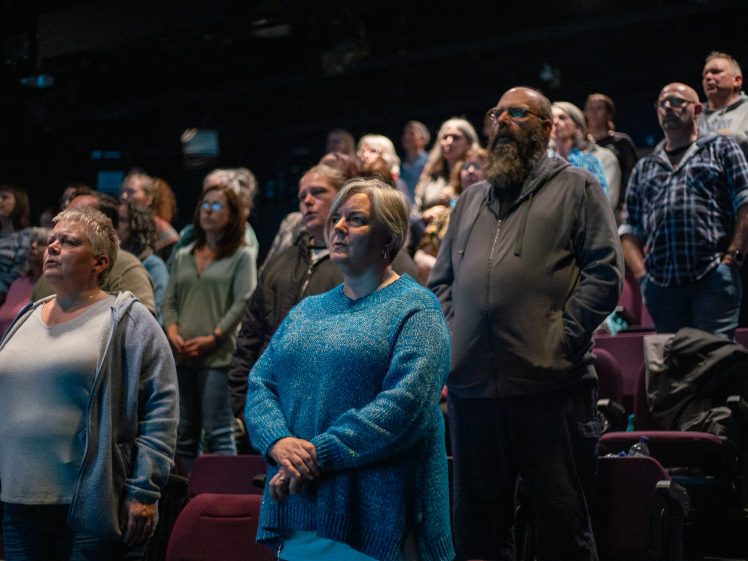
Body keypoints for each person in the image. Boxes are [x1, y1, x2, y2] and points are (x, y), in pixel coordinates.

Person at [429, 86, 623, 561]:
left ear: (545, 126)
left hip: (550, 386)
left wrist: (563, 336)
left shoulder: (577, 186)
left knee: (562, 530)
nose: (503, 122)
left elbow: (605, 273)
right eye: (497, 114)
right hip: (474, 392)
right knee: (478, 536)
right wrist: (456, 341)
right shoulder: (470, 200)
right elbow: (441, 284)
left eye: (518, 113)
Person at [245, 178, 453, 561]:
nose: (338, 227)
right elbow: (260, 383)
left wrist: (314, 456)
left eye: (355, 220)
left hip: (377, 523)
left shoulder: (416, 309)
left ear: (388, 240)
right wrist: (278, 442)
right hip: (301, 513)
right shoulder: (308, 310)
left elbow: (403, 410)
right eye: (337, 218)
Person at [0, 207, 178, 560]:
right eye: (51, 240)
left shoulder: (126, 319)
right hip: (17, 501)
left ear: (99, 263)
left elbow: (162, 406)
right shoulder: (26, 316)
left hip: (88, 507)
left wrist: (145, 489)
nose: (52, 247)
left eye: (68, 242)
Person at [229, 164, 419, 421]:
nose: (306, 201)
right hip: (280, 413)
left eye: (317, 193)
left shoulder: (392, 281)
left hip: (335, 417)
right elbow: (251, 337)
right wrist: (247, 408)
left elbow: (401, 399)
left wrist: (321, 446)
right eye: (301, 196)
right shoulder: (281, 262)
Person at [620, 82, 748, 340]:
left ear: (697, 109)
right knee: (678, 370)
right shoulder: (645, 167)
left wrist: (732, 259)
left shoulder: (721, 148)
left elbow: (745, 203)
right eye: (662, 103)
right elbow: (629, 231)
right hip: (662, 286)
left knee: (716, 365)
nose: (668, 107)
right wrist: (643, 277)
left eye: (677, 101)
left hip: (713, 276)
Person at [162, 183, 256, 471]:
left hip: (219, 355)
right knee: (184, 433)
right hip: (182, 353)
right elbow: (170, 301)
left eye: (216, 205)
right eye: (205, 203)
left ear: (231, 215)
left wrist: (214, 337)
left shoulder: (242, 256)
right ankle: (190, 500)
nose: (208, 210)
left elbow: (243, 301)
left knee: (219, 431)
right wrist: (173, 332)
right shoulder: (184, 255)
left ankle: (225, 501)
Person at [31, 192, 157, 317]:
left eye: (81, 215)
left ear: (106, 224)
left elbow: (140, 324)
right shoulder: (47, 277)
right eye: (50, 241)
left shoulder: (126, 266)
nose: (68, 221)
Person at [415, 147, 487, 283]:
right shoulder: (444, 214)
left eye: (477, 166)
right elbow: (422, 255)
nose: (470, 171)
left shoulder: (493, 211)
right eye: (466, 167)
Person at [410, 118, 479, 254]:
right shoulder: (431, 175)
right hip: (426, 239)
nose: (449, 142)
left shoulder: (475, 172)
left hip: (464, 242)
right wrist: (425, 215)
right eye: (445, 137)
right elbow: (415, 212)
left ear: (468, 143)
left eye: (455, 138)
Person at [584, 93, 639, 208]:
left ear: (609, 114)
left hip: (618, 205)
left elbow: (633, 175)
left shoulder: (622, 141)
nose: (594, 112)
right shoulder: (582, 144)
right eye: (590, 108)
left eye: (599, 108)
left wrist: (627, 201)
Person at [549, 101, 612, 199]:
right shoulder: (542, 162)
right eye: (552, 118)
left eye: (562, 117)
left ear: (577, 127)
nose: (555, 122)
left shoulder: (589, 162)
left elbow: (599, 201)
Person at [118, 201, 169, 319]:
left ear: (137, 226)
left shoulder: (153, 264)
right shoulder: (113, 261)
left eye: (122, 220)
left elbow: (160, 309)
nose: (116, 226)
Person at [0, 227, 48, 336]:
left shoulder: (52, 286)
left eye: (41, 243)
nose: (33, 246)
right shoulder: (18, 283)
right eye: (32, 242)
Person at [120, 172, 179, 259]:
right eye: (122, 191)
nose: (124, 196)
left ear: (148, 199)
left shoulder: (162, 230)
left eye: (131, 191)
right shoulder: (115, 223)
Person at [700, 51, 748, 155]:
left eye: (715, 72)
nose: (708, 77)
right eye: (705, 74)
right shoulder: (694, 115)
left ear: (737, 80)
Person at [0, 183, 32, 308]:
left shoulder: (25, 235)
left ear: (18, 202)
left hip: (7, 302)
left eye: (4, 197)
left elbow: (18, 272)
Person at [399, 120, 431, 204]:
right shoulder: (399, 164)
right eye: (404, 133)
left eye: (411, 133)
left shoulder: (430, 162)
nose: (406, 136)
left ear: (424, 139)